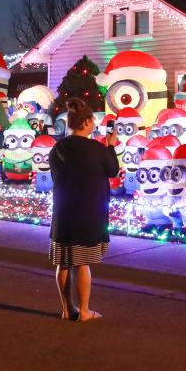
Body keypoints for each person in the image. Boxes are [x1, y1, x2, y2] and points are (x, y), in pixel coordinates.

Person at [49, 98, 119, 322]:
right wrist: (111, 145)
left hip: (62, 213)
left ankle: (67, 309)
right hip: (88, 214)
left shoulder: (58, 148)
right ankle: (85, 311)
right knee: (82, 263)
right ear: (87, 121)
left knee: (64, 262)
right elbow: (113, 171)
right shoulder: (97, 149)